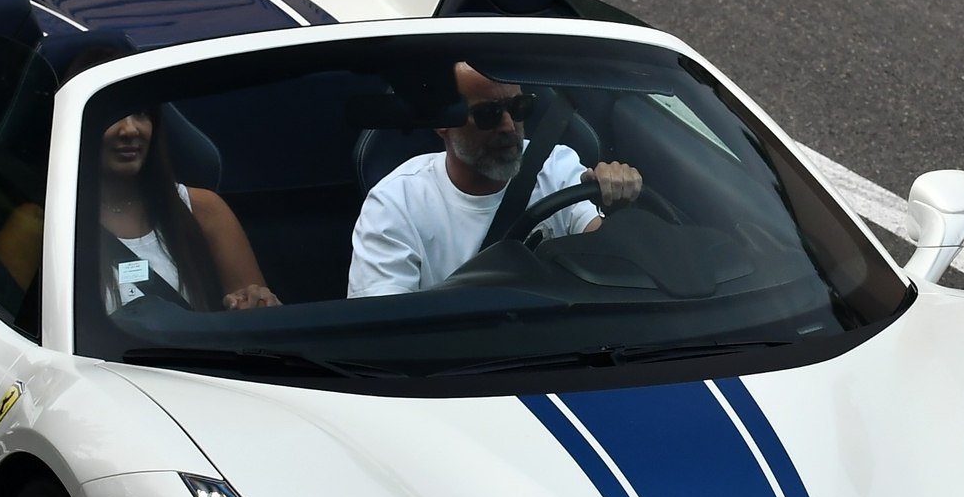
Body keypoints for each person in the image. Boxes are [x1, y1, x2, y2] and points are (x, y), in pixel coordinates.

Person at [347, 62, 643, 297]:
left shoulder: (555, 165)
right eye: (487, 114)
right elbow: (381, 331)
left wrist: (617, 207)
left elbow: (608, 261)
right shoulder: (396, 205)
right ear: (442, 123)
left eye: (518, 108)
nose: (508, 126)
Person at [97, 107, 278, 311]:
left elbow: (260, 324)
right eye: (113, 115)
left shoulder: (203, 211)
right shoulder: (57, 222)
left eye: (140, 113)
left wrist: (257, 303)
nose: (130, 130)